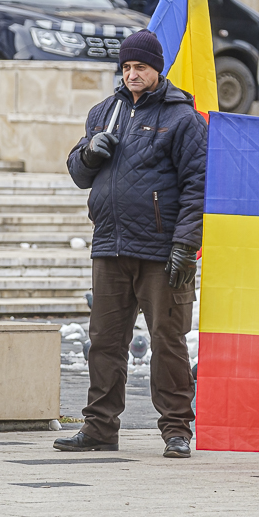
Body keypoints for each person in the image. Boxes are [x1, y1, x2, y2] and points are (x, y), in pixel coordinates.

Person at [54, 30, 207, 459]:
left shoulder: (183, 119)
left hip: (162, 251)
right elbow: (78, 173)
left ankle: (176, 429)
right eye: (126, 67)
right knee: (104, 342)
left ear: (157, 69)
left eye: (140, 67)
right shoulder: (105, 112)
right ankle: (100, 427)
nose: (132, 74)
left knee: (168, 342)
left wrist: (185, 244)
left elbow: (198, 186)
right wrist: (89, 153)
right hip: (110, 246)